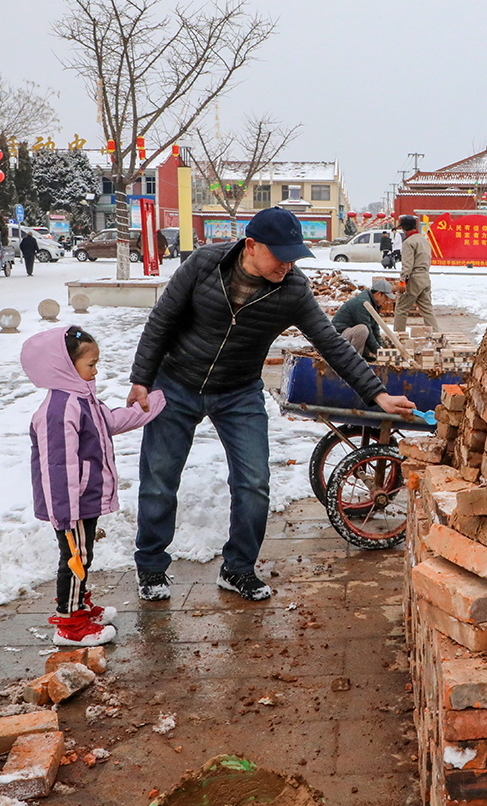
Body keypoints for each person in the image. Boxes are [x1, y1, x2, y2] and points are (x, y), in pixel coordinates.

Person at [127, 208, 415, 602]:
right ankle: (151, 567)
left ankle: (238, 569)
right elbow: (161, 320)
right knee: (160, 479)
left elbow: (331, 344)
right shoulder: (204, 264)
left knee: (254, 482)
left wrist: (377, 394)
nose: (287, 263)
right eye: (280, 255)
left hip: (238, 391)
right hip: (176, 381)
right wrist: (141, 379)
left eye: (293, 255)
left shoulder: (292, 288)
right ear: (251, 246)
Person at [23, 325, 164, 646]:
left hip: (82, 500)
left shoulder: (83, 401)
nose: (95, 370)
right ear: (65, 367)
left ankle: (79, 606)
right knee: (74, 558)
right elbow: (57, 467)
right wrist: (65, 513)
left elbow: (112, 421)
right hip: (69, 505)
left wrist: (154, 403)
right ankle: (70, 623)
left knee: (82, 556)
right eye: (90, 365)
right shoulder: (60, 410)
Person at [394, 215, 440, 334]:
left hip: (414, 278)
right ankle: (436, 336)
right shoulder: (424, 240)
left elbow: (407, 265)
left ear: (404, 228)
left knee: (401, 309)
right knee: (427, 310)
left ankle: (398, 339)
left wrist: (402, 281)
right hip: (425, 277)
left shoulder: (409, 242)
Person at [332, 277, 394, 359]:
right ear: (379, 294)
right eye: (385, 297)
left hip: (348, 336)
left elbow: (375, 328)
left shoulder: (373, 304)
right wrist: (377, 351)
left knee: (367, 332)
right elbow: (367, 328)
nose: (386, 300)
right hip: (337, 339)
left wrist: (381, 348)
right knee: (362, 330)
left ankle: (363, 357)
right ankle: (353, 361)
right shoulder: (363, 303)